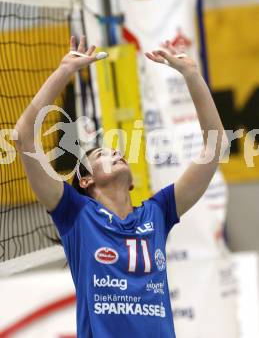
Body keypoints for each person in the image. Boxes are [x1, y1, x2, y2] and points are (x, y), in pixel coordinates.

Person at [14, 35, 228, 338]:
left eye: (116, 151)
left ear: (133, 184)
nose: (116, 152)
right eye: (102, 153)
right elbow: (23, 137)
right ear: (85, 180)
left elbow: (215, 146)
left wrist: (192, 76)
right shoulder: (75, 213)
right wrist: (63, 72)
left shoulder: (157, 213)